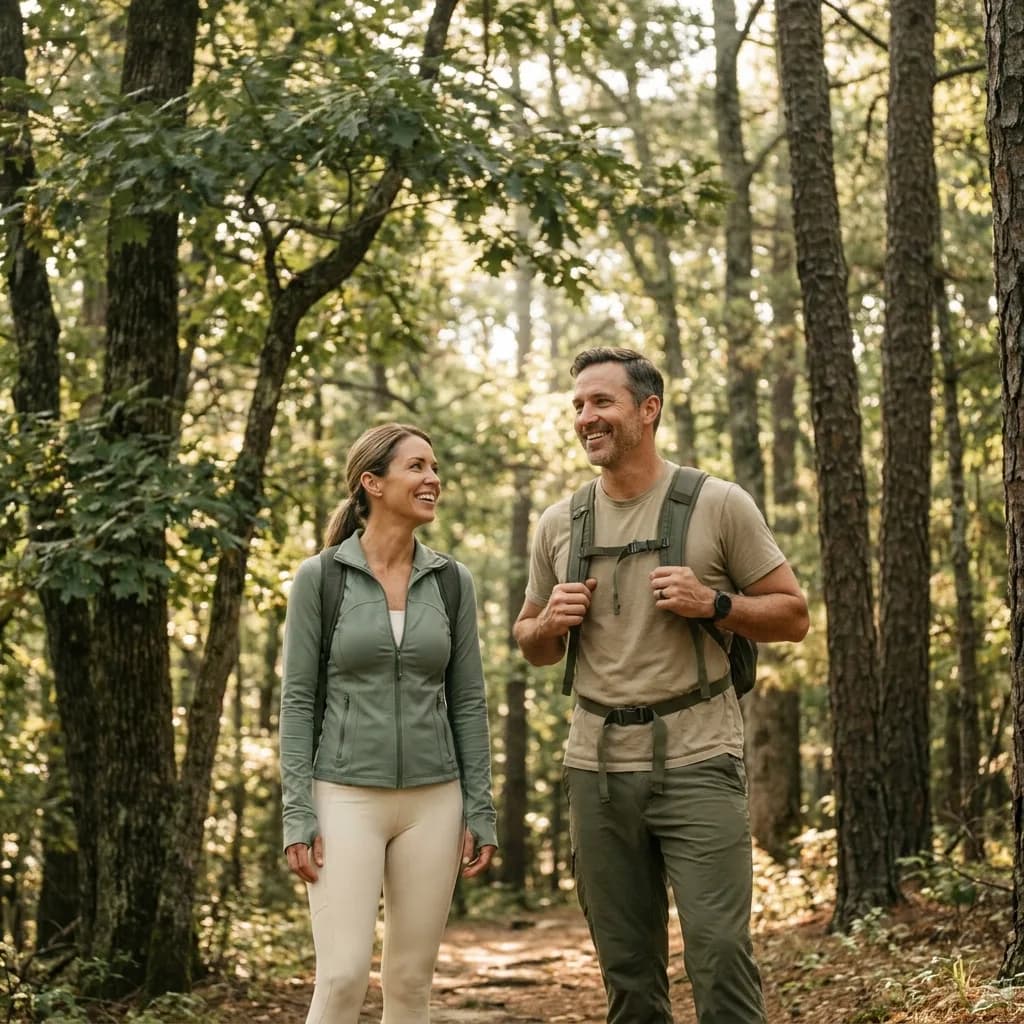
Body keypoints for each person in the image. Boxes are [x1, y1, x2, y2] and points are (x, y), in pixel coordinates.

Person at [514, 348, 809, 1024]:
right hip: (595, 766)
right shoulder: (561, 524)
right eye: (579, 406)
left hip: (700, 760)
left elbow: (794, 615)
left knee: (720, 951)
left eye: (602, 402)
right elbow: (531, 644)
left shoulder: (718, 504)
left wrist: (717, 605)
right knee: (627, 969)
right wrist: (547, 625)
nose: (587, 417)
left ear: (648, 410)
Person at [279, 422, 497, 1024]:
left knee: (408, 983)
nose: (433, 479)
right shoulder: (320, 579)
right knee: (344, 976)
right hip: (343, 797)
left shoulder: (452, 582)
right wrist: (298, 811)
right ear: (372, 483)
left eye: (434, 467)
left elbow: (469, 702)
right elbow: (298, 702)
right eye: (418, 468)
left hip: (435, 799)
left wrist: (479, 807)